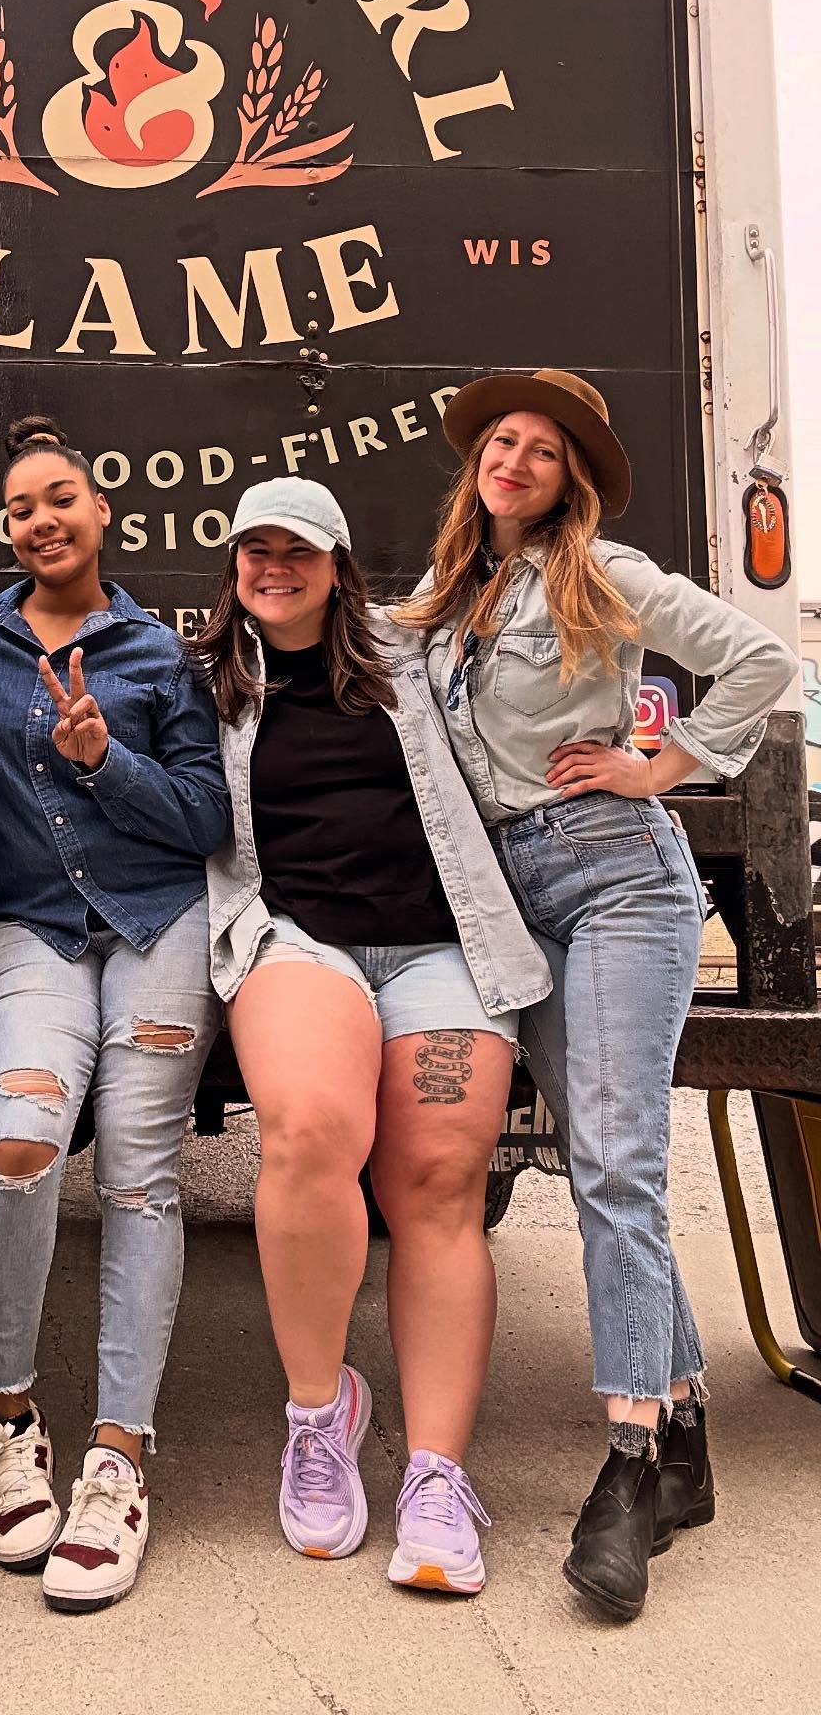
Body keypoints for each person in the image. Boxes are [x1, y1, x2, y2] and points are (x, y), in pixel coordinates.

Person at [399, 367, 797, 1619]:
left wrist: (656, 764)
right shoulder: (446, 602)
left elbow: (761, 661)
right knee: (598, 1161)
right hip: (514, 899)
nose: (513, 459)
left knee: (620, 1160)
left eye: (542, 449)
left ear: (572, 478)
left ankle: (628, 1466)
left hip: (618, 878)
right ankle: (686, 1447)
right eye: (499, 442)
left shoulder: (603, 572)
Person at [196, 476, 550, 1595]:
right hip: (301, 939)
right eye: (255, 550)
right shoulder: (207, 685)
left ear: (340, 566)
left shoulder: (417, 660)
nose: (273, 567)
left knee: (440, 1179)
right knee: (306, 1132)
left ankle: (438, 1479)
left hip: (444, 948)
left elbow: (532, 645)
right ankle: (319, 1413)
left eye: (297, 550)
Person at [0, 415, 229, 1615]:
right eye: (19, 508)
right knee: (16, 1153)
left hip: (158, 930)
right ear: (4, 532)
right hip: (34, 933)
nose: (41, 520)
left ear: (102, 510)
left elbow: (207, 823)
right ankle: (7, 1423)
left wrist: (106, 755)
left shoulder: (161, 657)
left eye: (59, 497)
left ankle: (120, 1457)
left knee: (140, 1179)